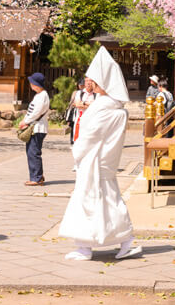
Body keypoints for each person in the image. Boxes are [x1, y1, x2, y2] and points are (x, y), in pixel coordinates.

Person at [59, 47, 142, 261]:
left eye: (94, 81)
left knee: (93, 199)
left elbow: (91, 135)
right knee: (106, 200)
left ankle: (96, 244)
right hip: (102, 160)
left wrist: (77, 151)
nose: (92, 85)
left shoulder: (105, 108)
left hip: (95, 159)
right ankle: (113, 242)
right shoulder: (113, 107)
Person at [21, 73, 50, 187]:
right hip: (35, 126)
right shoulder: (39, 95)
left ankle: (36, 178)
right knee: (31, 152)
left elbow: (36, 112)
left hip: (38, 128)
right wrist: (25, 120)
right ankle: (37, 176)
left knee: (33, 152)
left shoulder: (42, 95)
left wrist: (25, 121)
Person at [66, 78, 86, 144]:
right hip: (73, 111)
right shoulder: (75, 92)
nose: (81, 86)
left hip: (81, 112)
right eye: (80, 85)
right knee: (73, 126)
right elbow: (72, 103)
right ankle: (72, 140)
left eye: (83, 85)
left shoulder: (86, 93)